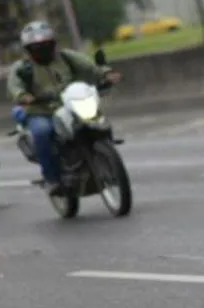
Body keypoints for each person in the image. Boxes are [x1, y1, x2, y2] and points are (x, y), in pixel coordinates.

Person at [7, 21, 121, 196]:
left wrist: (105, 73)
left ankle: (106, 150)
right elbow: (15, 87)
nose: (43, 49)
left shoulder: (67, 57)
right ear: (28, 49)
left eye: (47, 45)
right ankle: (51, 178)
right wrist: (24, 96)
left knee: (95, 116)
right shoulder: (22, 68)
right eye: (37, 47)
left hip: (71, 104)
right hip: (41, 111)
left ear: (53, 44)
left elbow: (90, 67)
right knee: (42, 132)